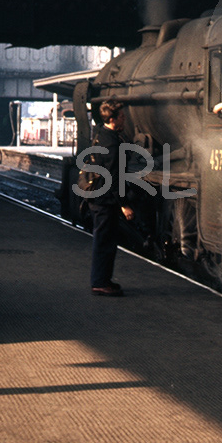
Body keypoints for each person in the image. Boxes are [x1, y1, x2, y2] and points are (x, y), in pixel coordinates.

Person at [86, 98, 134, 297]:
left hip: (98, 197)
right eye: (122, 117)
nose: (124, 120)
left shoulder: (100, 133)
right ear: (113, 119)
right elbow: (114, 178)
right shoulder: (112, 143)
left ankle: (103, 280)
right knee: (105, 242)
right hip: (106, 200)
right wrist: (124, 205)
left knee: (104, 240)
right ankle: (100, 282)